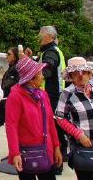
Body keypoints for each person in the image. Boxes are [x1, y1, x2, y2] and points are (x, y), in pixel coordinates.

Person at [54, 57, 93, 180]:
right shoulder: (67, 94)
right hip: (81, 148)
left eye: (84, 72)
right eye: (76, 73)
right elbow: (60, 118)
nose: (80, 76)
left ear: (89, 74)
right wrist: (78, 134)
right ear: (71, 76)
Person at [5, 56, 62, 180]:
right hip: (26, 153)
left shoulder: (43, 94)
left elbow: (50, 123)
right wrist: (15, 153)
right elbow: (11, 126)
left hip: (46, 150)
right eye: (40, 73)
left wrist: (57, 146)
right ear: (31, 79)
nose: (43, 76)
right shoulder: (15, 96)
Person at [36, 25, 67, 171]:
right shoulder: (51, 51)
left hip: (51, 96)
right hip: (54, 95)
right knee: (55, 128)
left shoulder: (51, 52)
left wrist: (37, 73)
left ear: (48, 36)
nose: (39, 37)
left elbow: (47, 69)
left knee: (53, 130)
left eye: (40, 34)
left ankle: (57, 163)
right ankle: (58, 159)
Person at [0, 46, 20, 126]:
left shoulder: (16, 68)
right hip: (7, 101)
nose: (7, 56)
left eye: (9, 54)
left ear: (15, 56)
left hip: (11, 102)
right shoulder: (12, 68)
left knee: (12, 126)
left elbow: (8, 85)